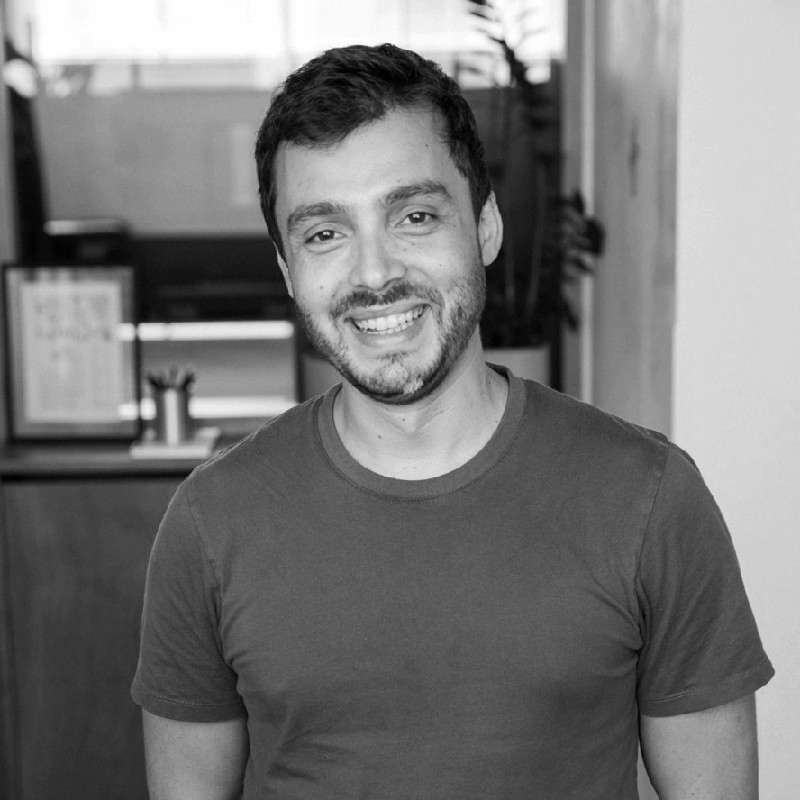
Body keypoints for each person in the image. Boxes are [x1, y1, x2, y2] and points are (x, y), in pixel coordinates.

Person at [132, 43, 774, 799]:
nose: (374, 274)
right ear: (286, 268)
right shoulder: (211, 523)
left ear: (486, 226)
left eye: (414, 215)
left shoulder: (650, 496)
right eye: (324, 233)